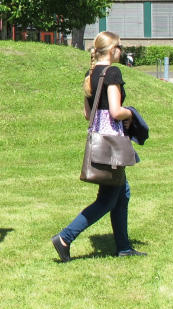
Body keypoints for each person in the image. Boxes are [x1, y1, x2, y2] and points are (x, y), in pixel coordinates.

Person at [51, 31, 145, 262]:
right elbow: (115, 111)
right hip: (112, 143)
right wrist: (131, 113)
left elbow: (87, 114)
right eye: (120, 46)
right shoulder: (112, 72)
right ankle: (65, 237)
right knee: (107, 199)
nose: (121, 50)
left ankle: (123, 246)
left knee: (122, 193)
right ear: (112, 50)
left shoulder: (90, 74)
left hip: (98, 140)